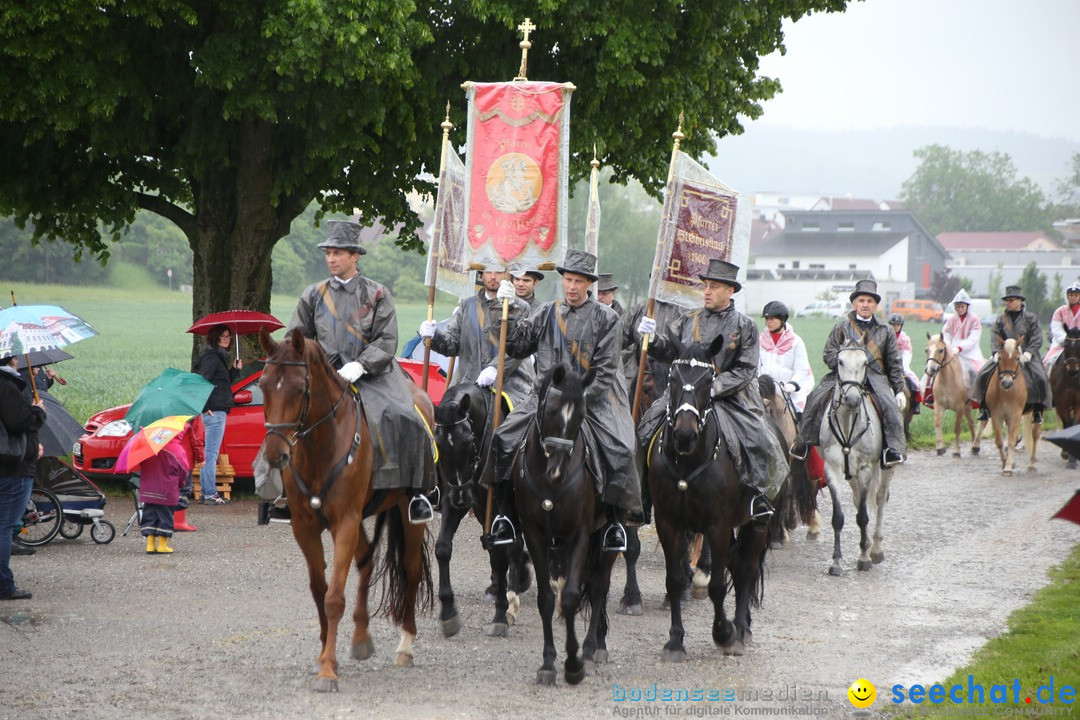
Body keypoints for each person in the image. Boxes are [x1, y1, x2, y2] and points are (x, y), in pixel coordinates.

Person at [492, 249, 641, 551]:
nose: (572, 286)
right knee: (502, 439)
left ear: (590, 284)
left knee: (622, 448)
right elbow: (518, 345)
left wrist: (578, 398)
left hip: (593, 398)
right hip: (545, 399)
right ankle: (504, 516)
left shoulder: (608, 318)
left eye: (579, 281)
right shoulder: (546, 312)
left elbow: (605, 369)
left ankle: (615, 521)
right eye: (568, 280)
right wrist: (502, 309)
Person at [289, 219, 435, 524]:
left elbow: (387, 339)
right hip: (326, 376)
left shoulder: (378, 293)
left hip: (374, 374)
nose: (331, 258)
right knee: (285, 417)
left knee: (406, 415)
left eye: (338, 253)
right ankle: (282, 491)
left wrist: (362, 364)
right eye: (328, 252)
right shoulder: (313, 295)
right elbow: (297, 339)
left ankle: (415, 491)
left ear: (355, 256)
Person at [637, 259, 787, 520]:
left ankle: (758, 499)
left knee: (761, 439)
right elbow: (671, 353)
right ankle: (642, 498)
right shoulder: (688, 319)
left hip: (731, 395)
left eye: (714, 286)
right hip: (686, 393)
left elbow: (746, 368)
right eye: (706, 285)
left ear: (730, 291)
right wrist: (651, 338)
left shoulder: (744, 325)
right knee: (645, 428)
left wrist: (711, 387)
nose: (706, 291)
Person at [789, 279, 907, 468]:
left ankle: (891, 450)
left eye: (870, 301)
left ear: (875, 305)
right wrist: (844, 364)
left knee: (890, 408)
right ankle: (804, 442)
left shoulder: (885, 330)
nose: (865, 305)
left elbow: (894, 363)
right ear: (854, 304)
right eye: (861, 300)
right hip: (844, 378)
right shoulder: (841, 328)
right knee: (814, 398)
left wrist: (899, 389)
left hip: (875, 379)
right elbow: (828, 354)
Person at [419, 260, 535, 410]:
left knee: (513, 427)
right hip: (468, 383)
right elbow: (452, 345)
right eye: (488, 271)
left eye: (499, 272)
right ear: (481, 274)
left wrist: (495, 368)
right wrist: (434, 336)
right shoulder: (467, 305)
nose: (493, 276)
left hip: (509, 386)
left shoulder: (519, 307)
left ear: (507, 275)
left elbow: (518, 348)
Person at [970, 285, 1051, 424]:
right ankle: (984, 407)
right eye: (1006, 300)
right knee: (983, 373)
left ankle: (1038, 409)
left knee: (1041, 377)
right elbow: (994, 335)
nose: (1008, 303)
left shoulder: (1031, 318)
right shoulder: (1000, 318)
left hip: (1026, 355)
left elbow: (1037, 338)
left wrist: (1029, 353)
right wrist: (995, 352)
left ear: (1020, 301)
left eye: (1011, 300)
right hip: (1005, 354)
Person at [0, 352, 46, 600]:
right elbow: (19, 422)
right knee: (4, 527)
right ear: (11, 361)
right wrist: (38, 411)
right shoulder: (6, 387)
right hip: (11, 469)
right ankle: (3, 585)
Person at [139, 416, 204, 554]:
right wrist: (180, 483)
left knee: (149, 514)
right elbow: (183, 470)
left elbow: (141, 467)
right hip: (166, 491)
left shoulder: (149, 447)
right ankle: (162, 545)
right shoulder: (177, 450)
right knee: (165, 515)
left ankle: (150, 544)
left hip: (148, 490)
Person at [193, 324, 241, 505]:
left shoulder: (217, 357)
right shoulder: (212, 358)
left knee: (209, 453)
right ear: (215, 338)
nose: (227, 339)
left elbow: (223, 383)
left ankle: (206, 492)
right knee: (211, 454)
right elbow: (202, 383)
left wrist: (235, 370)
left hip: (217, 409)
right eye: (223, 336)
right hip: (214, 411)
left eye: (229, 336)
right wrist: (204, 406)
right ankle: (210, 493)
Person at [758, 301, 814, 415]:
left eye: (772, 318)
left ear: (782, 319)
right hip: (764, 391)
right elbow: (756, 367)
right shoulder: (759, 340)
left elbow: (802, 369)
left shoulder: (796, 342)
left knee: (802, 413)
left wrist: (793, 385)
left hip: (790, 391)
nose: (768, 322)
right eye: (767, 318)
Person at [939, 288, 985, 386]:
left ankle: (976, 397)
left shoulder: (974, 319)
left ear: (967, 306)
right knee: (934, 368)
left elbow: (973, 339)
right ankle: (930, 394)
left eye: (962, 307)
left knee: (978, 371)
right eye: (957, 307)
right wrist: (948, 345)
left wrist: (960, 348)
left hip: (971, 352)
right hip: (952, 350)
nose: (960, 309)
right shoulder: (951, 319)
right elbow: (945, 333)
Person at [887, 313, 922, 415]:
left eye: (898, 324)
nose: (895, 327)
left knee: (914, 380)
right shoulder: (886, 335)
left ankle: (916, 404)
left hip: (902, 360)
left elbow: (907, 353)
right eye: (893, 324)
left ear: (901, 326)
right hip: (888, 361)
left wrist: (901, 365)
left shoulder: (905, 338)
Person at [1043, 281, 1080, 369]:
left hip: (1079, 341)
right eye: (1071, 295)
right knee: (1049, 360)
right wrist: (1065, 339)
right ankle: (1047, 378)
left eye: (1076, 295)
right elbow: (1056, 327)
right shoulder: (1060, 311)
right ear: (1067, 296)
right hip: (1062, 341)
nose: (1073, 298)